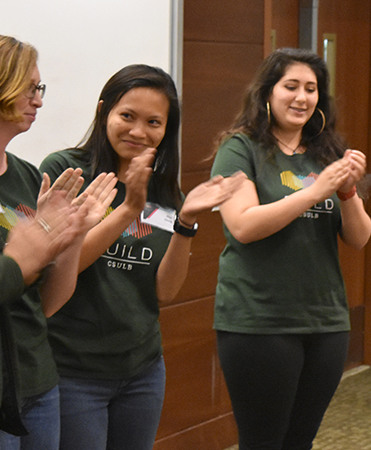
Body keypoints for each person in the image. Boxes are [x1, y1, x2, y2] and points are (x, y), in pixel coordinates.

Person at [39, 64, 244, 450]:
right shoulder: (66, 172)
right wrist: (128, 210)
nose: (138, 132)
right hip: (73, 369)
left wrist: (185, 221)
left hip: (142, 370)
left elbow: (165, 291)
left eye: (153, 122)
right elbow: (59, 269)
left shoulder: (163, 193)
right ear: (104, 112)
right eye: (127, 116)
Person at [210, 47, 371, 450]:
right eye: (291, 86)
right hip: (260, 321)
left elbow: (360, 237)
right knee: (263, 441)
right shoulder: (240, 149)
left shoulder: (326, 152)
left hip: (325, 320)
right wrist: (316, 191)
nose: (302, 98)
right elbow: (243, 224)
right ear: (267, 91)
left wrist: (349, 191)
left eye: (311, 89)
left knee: (300, 441)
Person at [0, 34, 117, 450]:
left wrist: (71, 237)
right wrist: (20, 258)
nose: (38, 100)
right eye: (30, 88)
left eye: (40, 89)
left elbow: (46, 303)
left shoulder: (28, 176)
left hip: (36, 383)